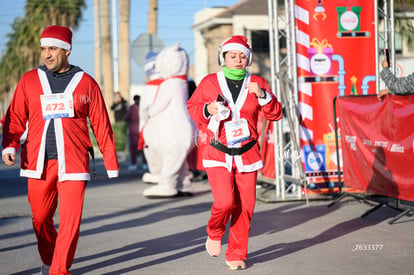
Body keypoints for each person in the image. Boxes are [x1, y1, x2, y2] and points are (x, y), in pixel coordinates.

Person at [1, 25, 119, 275]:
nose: (46, 54)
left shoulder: (86, 83)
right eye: (43, 49)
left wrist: (111, 162)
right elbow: (15, 118)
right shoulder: (30, 80)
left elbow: (101, 123)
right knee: (40, 218)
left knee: (69, 223)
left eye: (52, 48)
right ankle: (50, 257)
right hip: (37, 162)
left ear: (66, 50)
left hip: (74, 163)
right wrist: (9, 144)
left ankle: (58, 270)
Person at [186, 35, 283, 270]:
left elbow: (276, 114)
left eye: (242, 56)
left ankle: (237, 253)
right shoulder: (210, 82)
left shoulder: (258, 82)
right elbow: (192, 107)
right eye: (233, 56)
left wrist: (263, 96)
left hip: (247, 154)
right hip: (218, 152)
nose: (238, 60)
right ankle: (215, 230)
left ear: (248, 59)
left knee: (245, 207)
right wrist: (208, 109)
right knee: (225, 201)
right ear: (224, 58)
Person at [125, 94, 141, 171]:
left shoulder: (131, 108)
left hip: (133, 130)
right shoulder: (142, 108)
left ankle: (133, 164)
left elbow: (126, 118)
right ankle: (145, 164)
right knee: (144, 147)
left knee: (133, 148)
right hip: (141, 130)